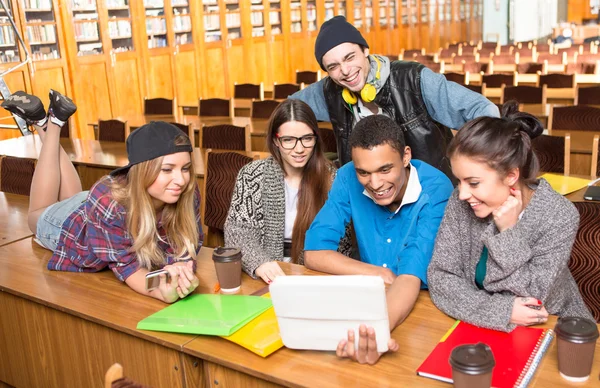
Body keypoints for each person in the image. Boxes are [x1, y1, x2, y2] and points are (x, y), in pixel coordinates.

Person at [1, 91, 203, 303]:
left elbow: (187, 245)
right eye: (168, 170)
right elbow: (130, 269)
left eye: (186, 168)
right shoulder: (109, 203)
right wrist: (161, 291)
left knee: (75, 194)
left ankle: (48, 121)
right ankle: (51, 125)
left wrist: (183, 266)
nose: (181, 180)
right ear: (142, 170)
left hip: (96, 206)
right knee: (35, 216)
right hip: (70, 225)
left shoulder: (186, 192)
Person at [427, 101, 594, 332]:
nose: (462, 194)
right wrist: (502, 311)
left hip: (557, 329)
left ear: (511, 176)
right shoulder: (461, 201)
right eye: (459, 181)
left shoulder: (559, 215)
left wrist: (508, 231)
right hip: (482, 326)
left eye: (473, 182)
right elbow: (441, 278)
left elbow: (533, 299)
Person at [304, 114, 454, 364]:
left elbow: (410, 275)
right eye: (363, 172)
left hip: (421, 308)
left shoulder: (437, 188)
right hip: (367, 301)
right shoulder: (346, 176)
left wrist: (377, 332)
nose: (375, 183)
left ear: (406, 156)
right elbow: (314, 252)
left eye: (385, 169)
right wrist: (376, 273)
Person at [291, 16, 498, 179]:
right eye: (333, 66)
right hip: (370, 199)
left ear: (365, 50)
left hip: (428, 197)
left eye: (350, 57)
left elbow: (484, 111)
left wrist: (468, 171)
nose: (345, 71)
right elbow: (287, 110)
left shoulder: (414, 79)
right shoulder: (329, 91)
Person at [224, 99, 351, 284]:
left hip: (316, 275)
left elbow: (342, 242)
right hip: (264, 273)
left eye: (307, 138)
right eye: (289, 140)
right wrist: (260, 263)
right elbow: (238, 232)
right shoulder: (252, 175)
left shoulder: (332, 178)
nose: (299, 149)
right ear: (276, 140)